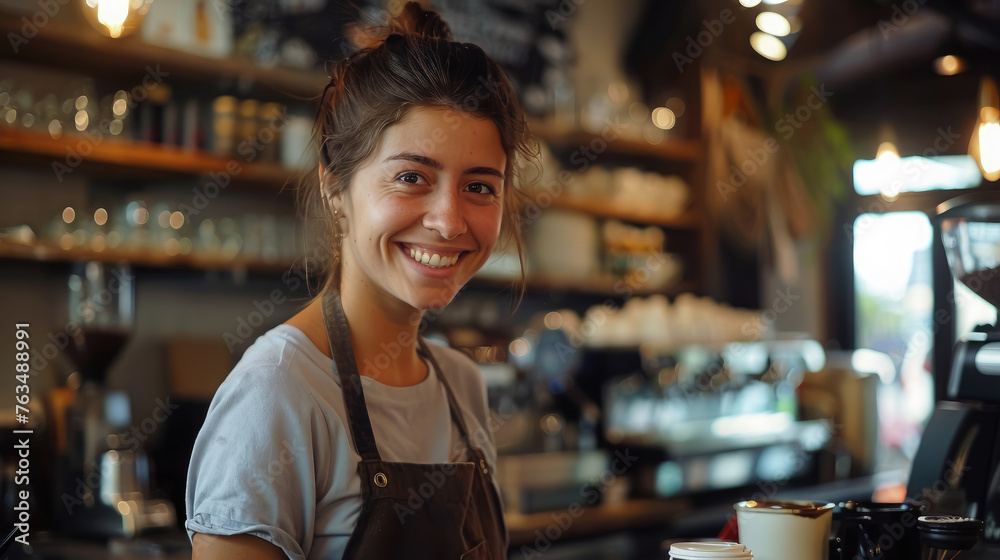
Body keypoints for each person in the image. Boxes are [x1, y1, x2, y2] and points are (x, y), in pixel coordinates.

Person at [185, 3, 535, 559]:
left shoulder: (461, 385)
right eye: (411, 177)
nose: (448, 220)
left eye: (480, 186)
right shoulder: (279, 393)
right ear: (334, 187)